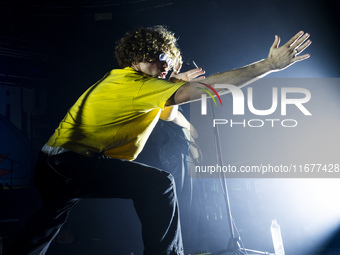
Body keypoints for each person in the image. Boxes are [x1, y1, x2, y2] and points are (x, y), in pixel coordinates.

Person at [5, 26, 311, 255]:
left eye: (170, 61)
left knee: (48, 218)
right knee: (158, 184)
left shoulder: (137, 85)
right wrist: (267, 66)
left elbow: (169, 113)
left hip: (54, 165)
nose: (165, 66)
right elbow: (206, 89)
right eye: (158, 58)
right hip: (70, 164)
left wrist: (189, 130)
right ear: (138, 57)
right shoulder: (134, 83)